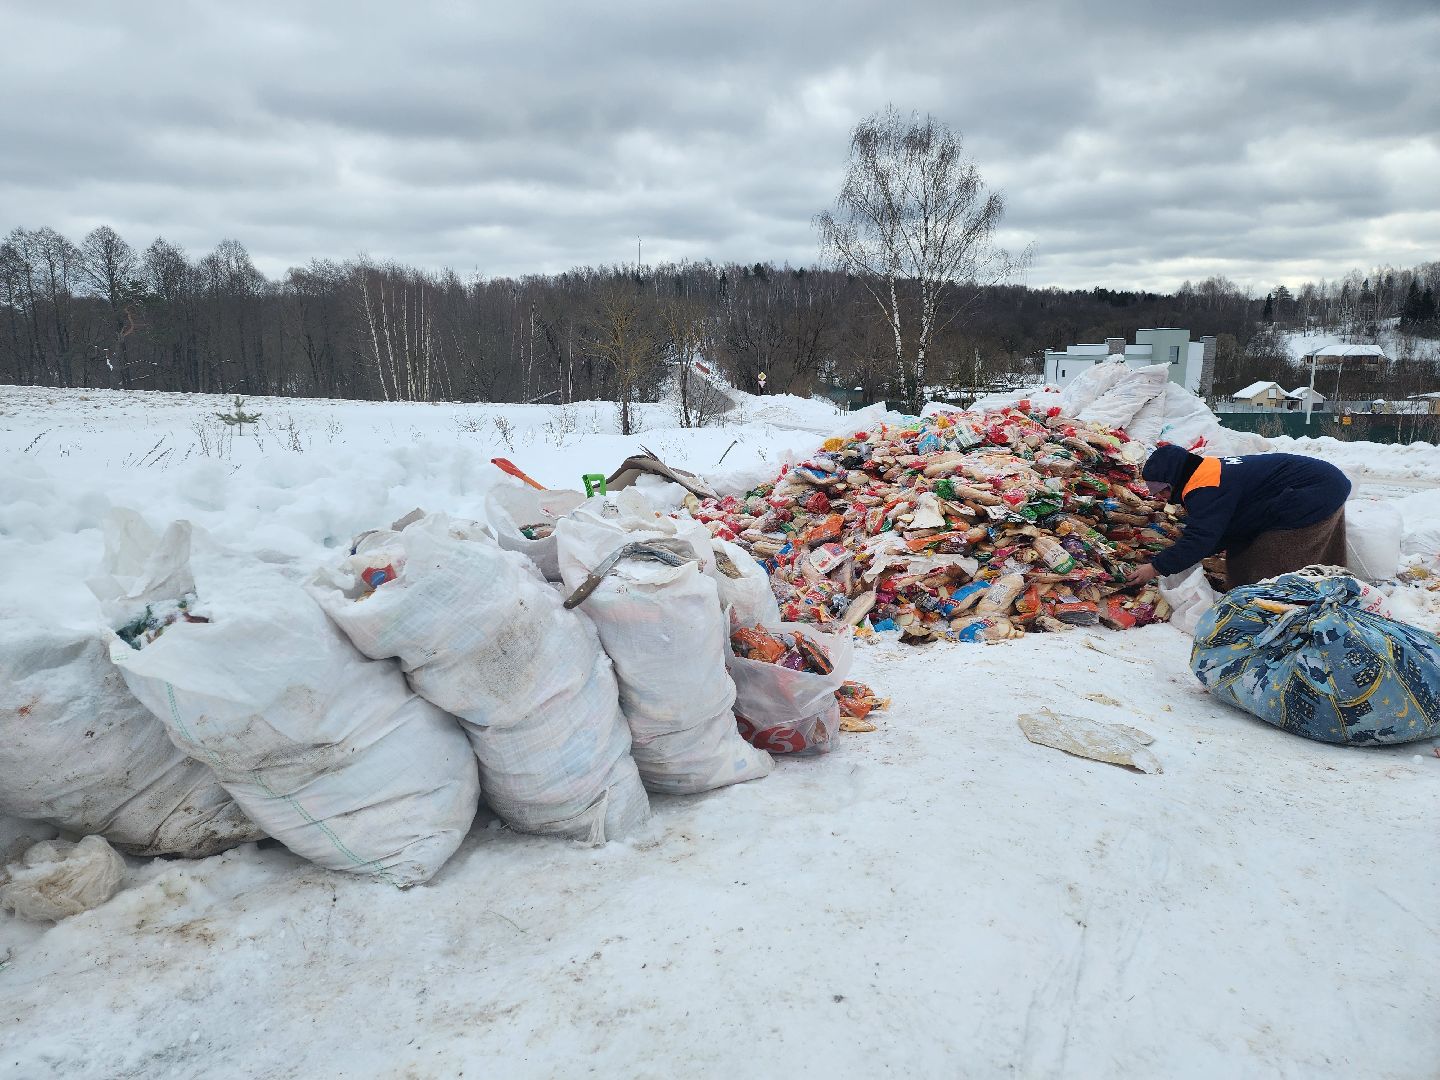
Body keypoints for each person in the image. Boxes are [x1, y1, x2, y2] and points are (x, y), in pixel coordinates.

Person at [1126, 445, 1351, 590]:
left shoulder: (1204, 487)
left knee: (1272, 555)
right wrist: (1184, 552)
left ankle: (1284, 603)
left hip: (1316, 491)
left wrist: (1155, 568)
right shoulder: (1204, 471)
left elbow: (1202, 538)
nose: (1162, 498)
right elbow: (1221, 529)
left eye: (1162, 491)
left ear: (1173, 481)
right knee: (1240, 549)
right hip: (1316, 485)